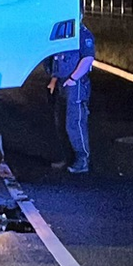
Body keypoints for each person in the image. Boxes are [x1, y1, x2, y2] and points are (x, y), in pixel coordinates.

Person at [47, 23, 96, 173]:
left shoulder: (82, 33)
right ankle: (69, 158)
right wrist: (54, 79)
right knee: (60, 123)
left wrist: (73, 78)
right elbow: (56, 58)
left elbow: (87, 59)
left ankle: (82, 160)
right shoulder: (63, 31)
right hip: (62, 83)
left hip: (76, 84)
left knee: (74, 122)